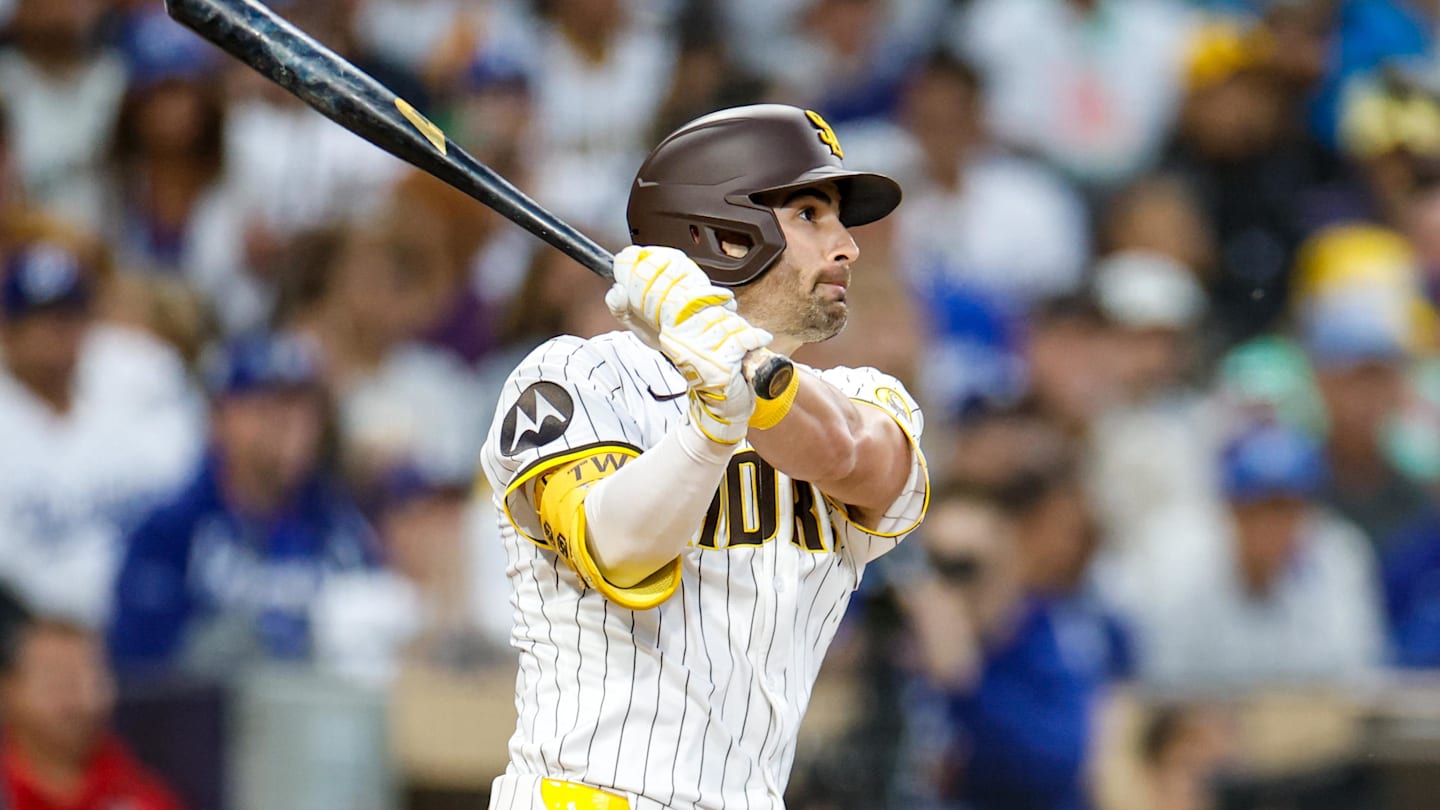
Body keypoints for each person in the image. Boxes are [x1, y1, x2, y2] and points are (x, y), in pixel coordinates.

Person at [479, 104, 928, 809]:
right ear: (719, 231)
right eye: (811, 214)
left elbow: (849, 454)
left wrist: (739, 367)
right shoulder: (573, 377)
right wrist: (713, 423)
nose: (848, 247)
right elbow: (618, 551)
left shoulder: (864, 397)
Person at [107, 333, 383, 676]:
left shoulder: (343, 529)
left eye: (303, 408)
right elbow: (146, 671)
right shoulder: (169, 533)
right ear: (219, 420)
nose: (290, 426)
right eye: (266, 408)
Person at [0, 616, 183, 810]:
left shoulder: (143, 798)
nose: (71, 697)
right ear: (7, 690)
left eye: (86, 677)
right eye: (53, 679)